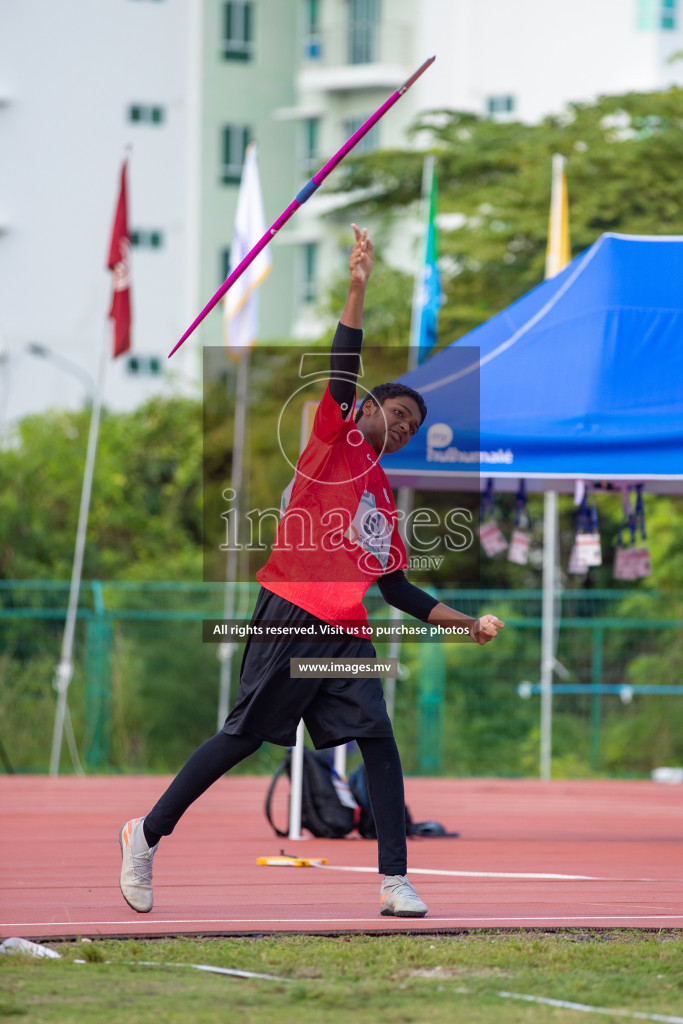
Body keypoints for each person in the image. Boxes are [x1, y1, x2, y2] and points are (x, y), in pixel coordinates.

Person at [119, 224, 504, 919]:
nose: (405, 425)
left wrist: (465, 624)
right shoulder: (335, 437)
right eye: (398, 412)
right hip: (289, 611)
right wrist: (356, 287)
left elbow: (399, 591)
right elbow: (342, 364)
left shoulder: (383, 500)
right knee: (240, 737)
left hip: (346, 634)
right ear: (365, 411)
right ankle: (145, 835)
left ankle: (393, 880)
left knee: (379, 741)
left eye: (415, 424)